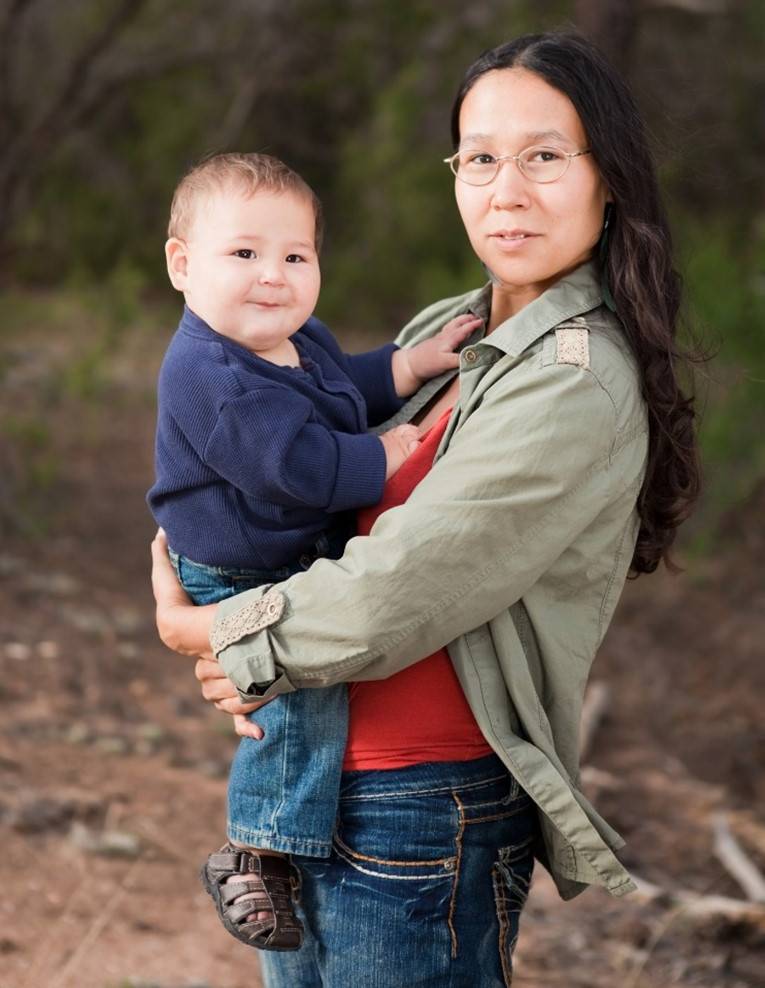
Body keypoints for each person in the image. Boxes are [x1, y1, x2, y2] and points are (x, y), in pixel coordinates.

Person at [151, 32, 700, 988]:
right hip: (324, 789)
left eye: (543, 156)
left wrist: (209, 633)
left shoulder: (573, 381)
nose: (507, 189)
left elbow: (402, 585)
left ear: (605, 180)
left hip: (422, 806)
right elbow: (267, 455)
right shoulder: (456, 330)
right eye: (480, 157)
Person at [146, 151, 481, 951]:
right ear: (182, 265)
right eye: (245, 253)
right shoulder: (209, 374)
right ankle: (256, 850)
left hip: (278, 551)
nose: (274, 276)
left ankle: (275, 840)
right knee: (296, 697)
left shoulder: (295, 337)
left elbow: (344, 387)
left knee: (303, 686)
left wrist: (409, 364)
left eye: (296, 256)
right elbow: (292, 467)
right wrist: (386, 455)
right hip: (240, 565)